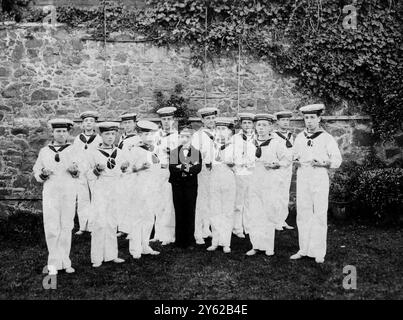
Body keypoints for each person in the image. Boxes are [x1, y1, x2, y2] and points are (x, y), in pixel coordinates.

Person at [290, 104, 342, 264]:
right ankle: (304, 249)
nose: (309, 121)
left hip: (319, 177)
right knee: (303, 212)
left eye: (312, 117)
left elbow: (337, 160)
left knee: (319, 213)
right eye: (306, 118)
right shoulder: (300, 137)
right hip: (304, 177)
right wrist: (296, 160)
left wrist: (323, 163)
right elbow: (294, 155)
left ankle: (319, 252)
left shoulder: (326, 138)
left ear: (319, 119)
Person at [33, 119, 80, 275]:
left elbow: (81, 171)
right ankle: (53, 263)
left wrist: (74, 171)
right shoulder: (45, 151)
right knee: (52, 226)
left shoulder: (74, 150)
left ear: (68, 133)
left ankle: (66, 262)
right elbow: (37, 172)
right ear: (52, 133)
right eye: (58, 131)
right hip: (51, 192)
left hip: (68, 191)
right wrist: (43, 175)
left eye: (64, 131)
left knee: (66, 226)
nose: (61, 134)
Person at [246, 114, 291, 256]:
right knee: (254, 213)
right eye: (259, 125)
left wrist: (276, 164)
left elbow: (287, 159)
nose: (261, 128)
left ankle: (268, 246)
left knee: (268, 213)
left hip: (269, 182)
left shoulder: (276, 143)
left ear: (271, 127)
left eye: (264, 125)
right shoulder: (250, 143)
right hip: (253, 182)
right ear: (255, 127)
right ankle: (256, 245)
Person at [86, 122, 127, 268]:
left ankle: (111, 255)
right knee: (99, 222)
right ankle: (97, 257)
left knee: (111, 222)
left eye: (112, 134)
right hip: (100, 189)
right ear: (101, 135)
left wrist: (123, 169)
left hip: (114, 189)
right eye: (107, 134)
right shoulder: (93, 152)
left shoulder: (120, 152)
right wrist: (96, 170)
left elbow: (123, 172)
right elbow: (87, 175)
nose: (110, 137)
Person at [124, 120, 161, 258]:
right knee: (137, 217)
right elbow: (126, 170)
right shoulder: (134, 149)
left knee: (149, 217)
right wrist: (140, 168)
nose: (149, 137)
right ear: (139, 135)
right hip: (138, 187)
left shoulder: (156, 149)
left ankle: (145, 245)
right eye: (146, 134)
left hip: (152, 187)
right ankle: (135, 249)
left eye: (152, 134)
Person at [169, 127, 202, 249]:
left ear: (191, 138)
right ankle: (179, 240)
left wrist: (183, 167)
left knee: (190, 211)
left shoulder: (195, 152)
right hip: (177, 185)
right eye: (182, 136)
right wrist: (186, 167)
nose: (184, 139)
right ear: (179, 138)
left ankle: (189, 240)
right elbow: (172, 168)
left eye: (187, 137)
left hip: (190, 186)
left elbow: (197, 168)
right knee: (179, 211)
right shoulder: (174, 152)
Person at [207, 118, 237, 254]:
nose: (220, 132)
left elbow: (243, 166)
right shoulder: (212, 145)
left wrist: (232, 164)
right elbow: (207, 163)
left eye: (223, 129)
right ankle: (215, 241)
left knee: (227, 210)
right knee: (215, 210)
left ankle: (226, 242)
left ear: (230, 132)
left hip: (228, 179)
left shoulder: (236, 146)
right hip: (214, 178)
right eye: (218, 129)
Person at [151, 106, 179, 245]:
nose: (166, 122)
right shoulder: (156, 135)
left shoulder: (177, 136)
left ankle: (168, 235)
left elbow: (182, 157)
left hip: (170, 171)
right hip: (157, 171)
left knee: (168, 203)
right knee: (158, 202)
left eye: (169, 119)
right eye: (164, 119)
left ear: (173, 120)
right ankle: (158, 233)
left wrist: (172, 154)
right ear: (160, 121)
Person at [72, 110, 102, 236]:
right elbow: (74, 154)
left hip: (94, 172)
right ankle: (83, 226)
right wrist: (75, 166)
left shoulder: (99, 138)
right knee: (83, 198)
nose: (88, 123)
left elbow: (101, 154)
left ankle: (94, 226)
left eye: (91, 121)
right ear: (82, 124)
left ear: (95, 124)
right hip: (81, 172)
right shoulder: (78, 139)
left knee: (96, 197)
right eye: (86, 121)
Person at [191, 107, 218, 244]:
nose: (211, 121)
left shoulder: (219, 133)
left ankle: (207, 228)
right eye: (208, 118)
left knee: (211, 200)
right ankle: (198, 232)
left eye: (213, 118)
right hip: (202, 171)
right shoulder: (198, 135)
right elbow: (194, 155)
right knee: (201, 201)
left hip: (216, 172)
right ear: (202, 120)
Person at [231, 112, 256, 238]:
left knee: (250, 201)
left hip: (252, 173)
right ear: (241, 124)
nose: (247, 125)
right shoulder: (235, 138)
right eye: (244, 123)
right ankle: (237, 228)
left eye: (249, 123)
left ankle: (248, 226)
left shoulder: (256, 138)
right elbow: (231, 154)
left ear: (253, 124)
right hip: (240, 173)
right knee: (238, 202)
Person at [116, 112, 140, 238]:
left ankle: (132, 229)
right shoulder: (121, 138)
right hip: (122, 174)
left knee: (132, 201)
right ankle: (123, 227)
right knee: (122, 201)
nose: (127, 125)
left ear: (135, 123)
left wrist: (129, 164)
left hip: (132, 174)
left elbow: (138, 156)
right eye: (125, 123)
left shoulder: (137, 139)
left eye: (129, 122)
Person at [273, 111, 295, 231]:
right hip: (277, 169)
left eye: (287, 120)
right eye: (283, 120)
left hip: (288, 169)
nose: (285, 122)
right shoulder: (273, 135)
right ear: (278, 122)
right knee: (276, 194)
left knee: (284, 195)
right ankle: (275, 221)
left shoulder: (291, 136)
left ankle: (282, 220)